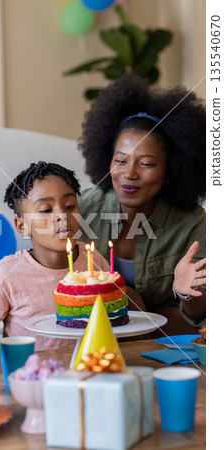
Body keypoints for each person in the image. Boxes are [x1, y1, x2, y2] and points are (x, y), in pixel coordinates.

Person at [77, 74, 206, 335]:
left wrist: (186, 293)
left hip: (165, 336)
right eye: (121, 161)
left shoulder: (193, 222)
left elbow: (198, 316)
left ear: (171, 170)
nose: (130, 174)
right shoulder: (83, 209)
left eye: (146, 163)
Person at [0, 161, 110, 350]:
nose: (62, 215)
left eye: (69, 206)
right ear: (22, 226)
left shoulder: (93, 259)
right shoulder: (6, 274)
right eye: (46, 210)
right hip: (30, 375)